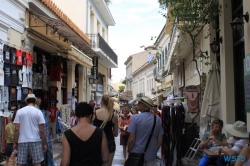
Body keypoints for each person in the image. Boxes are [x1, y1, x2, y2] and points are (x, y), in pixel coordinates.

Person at [127, 96, 163, 166]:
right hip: (151, 155)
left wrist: (129, 150)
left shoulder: (135, 118)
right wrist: (154, 150)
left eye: (139, 103)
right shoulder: (157, 119)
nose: (137, 104)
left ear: (144, 105)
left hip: (136, 154)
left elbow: (131, 139)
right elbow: (160, 140)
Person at [13, 94, 47, 166]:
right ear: (35, 102)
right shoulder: (38, 112)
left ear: (26, 102)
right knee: (37, 163)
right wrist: (45, 143)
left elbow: (16, 129)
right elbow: (42, 130)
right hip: (36, 140)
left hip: (22, 140)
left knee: (20, 163)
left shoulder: (19, 112)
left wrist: (14, 142)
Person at [93, 95, 118, 166]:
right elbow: (116, 133)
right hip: (109, 141)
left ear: (102, 102)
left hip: (96, 141)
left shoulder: (94, 114)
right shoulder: (114, 116)